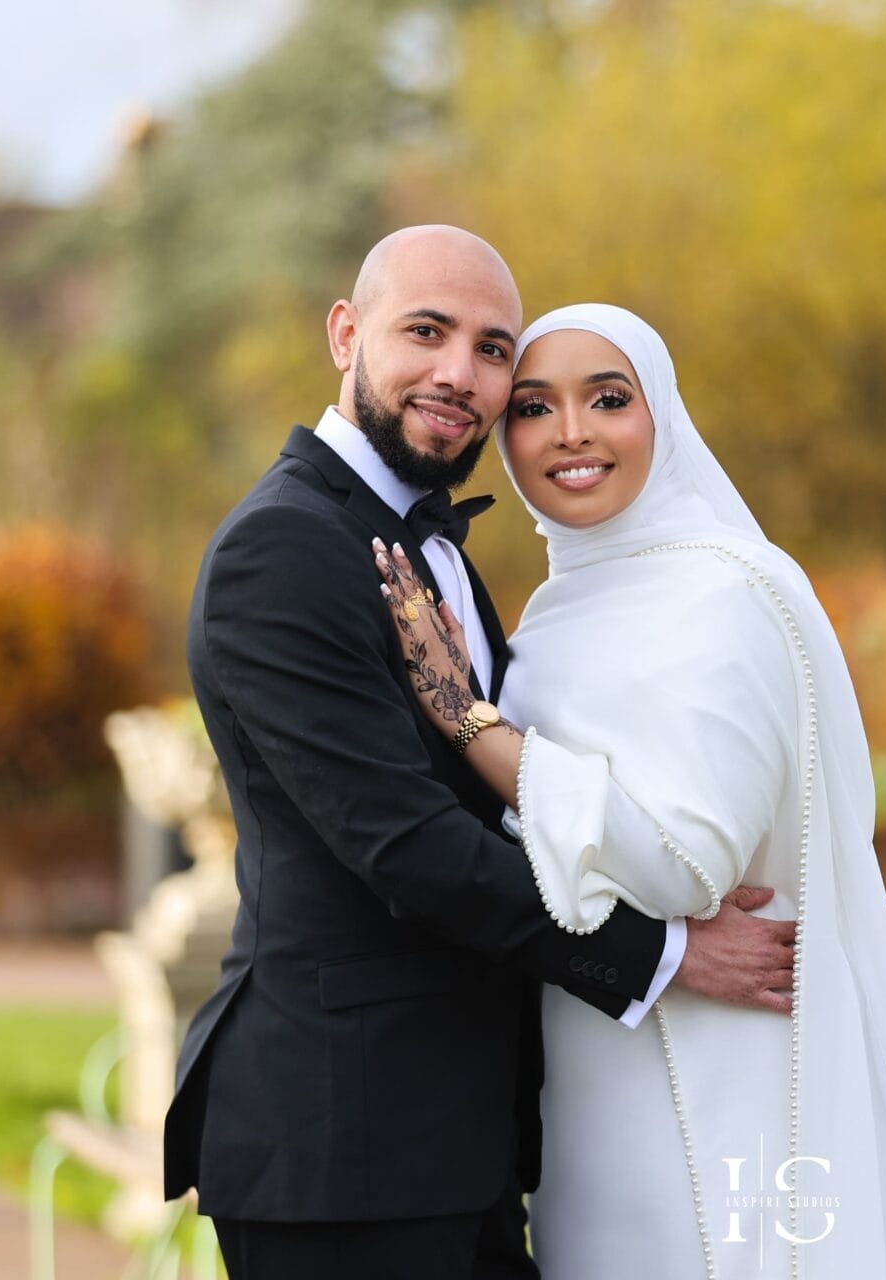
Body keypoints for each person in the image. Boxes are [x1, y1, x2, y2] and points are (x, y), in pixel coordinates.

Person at [164, 228, 797, 1280]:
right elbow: (407, 845)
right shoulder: (283, 551)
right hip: (343, 1146)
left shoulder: (428, 546)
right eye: (426, 332)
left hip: (454, 1140)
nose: (461, 373)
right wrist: (670, 951)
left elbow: (505, 794)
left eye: (493, 347)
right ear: (345, 333)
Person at [372, 303, 886, 1279]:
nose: (571, 431)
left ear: (666, 417)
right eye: (534, 406)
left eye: (609, 398)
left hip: (716, 1084)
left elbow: (684, 862)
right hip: (595, 1081)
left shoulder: (725, 593)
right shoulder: (561, 605)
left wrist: (470, 722)